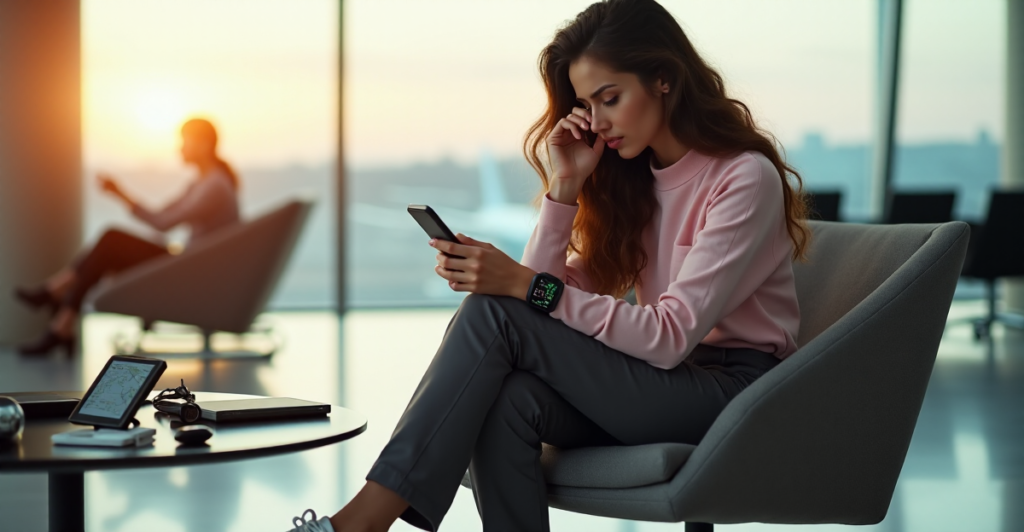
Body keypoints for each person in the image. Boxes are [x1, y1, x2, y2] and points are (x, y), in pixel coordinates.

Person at [288, 0, 809, 530]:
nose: (599, 122)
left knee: (496, 312)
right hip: (662, 384)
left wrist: (521, 286)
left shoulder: (743, 179)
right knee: (507, 397)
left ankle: (362, 520)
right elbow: (541, 298)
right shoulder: (638, 180)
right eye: (588, 104)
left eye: (611, 98)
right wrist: (564, 188)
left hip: (732, 398)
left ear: (663, 79)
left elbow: (669, 334)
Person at [14, 118, 240, 356]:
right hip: (188, 266)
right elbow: (161, 216)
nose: (180, 148)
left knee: (112, 240)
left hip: (193, 273)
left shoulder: (213, 186)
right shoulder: (203, 183)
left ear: (204, 144)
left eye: (185, 141)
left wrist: (119, 193)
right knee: (108, 250)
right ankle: (62, 319)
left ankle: (57, 299)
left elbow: (162, 222)